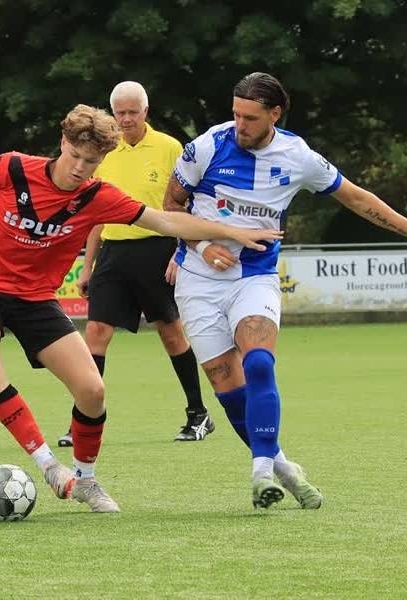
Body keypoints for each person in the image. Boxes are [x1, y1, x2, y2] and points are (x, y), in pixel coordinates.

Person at [0, 104, 283, 513]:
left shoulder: (98, 197)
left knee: (93, 391)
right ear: (62, 142)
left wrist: (230, 231)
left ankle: (86, 480)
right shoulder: (14, 169)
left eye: (91, 162)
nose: (80, 168)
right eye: (75, 156)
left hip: (36, 299)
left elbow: (167, 222)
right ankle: (48, 466)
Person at [164, 72, 407, 510]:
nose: (239, 125)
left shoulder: (298, 157)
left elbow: (354, 197)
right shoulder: (205, 147)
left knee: (258, 362)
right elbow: (170, 206)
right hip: (197, 280)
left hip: (254, 276)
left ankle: (259, 474)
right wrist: (201, 244)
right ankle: (283, 468)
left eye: (250, 118)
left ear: (274, 114)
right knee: (229, 390)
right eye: (236, 114)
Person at [57, 82, 213, 449]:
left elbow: (182, 205)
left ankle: (198, 413)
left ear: (146, 111)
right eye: (120, 113)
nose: (126, 119)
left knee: (171, 333)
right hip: (113, 253)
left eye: (133, 112)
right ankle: (83, 421)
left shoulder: (170, 147)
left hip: (157, 251)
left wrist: (181, 252)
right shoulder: (103, 152)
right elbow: (95, 214)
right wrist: (87, 265)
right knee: (95, 333)